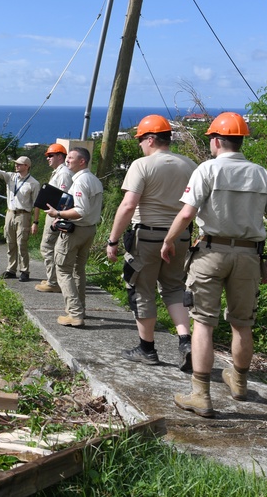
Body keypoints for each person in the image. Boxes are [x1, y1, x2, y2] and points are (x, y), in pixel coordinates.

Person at [161, 112, 267, 418]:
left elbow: (187, 214)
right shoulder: (262, 174)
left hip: (211, 251)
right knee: (243, 323)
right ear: (241, 140)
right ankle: (240, 383)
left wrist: (168, 241)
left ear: (216, 141)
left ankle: (201, 394)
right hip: (248, 256)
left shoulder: (208, 170)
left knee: (203, 322)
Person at [106, 115, 197, 370]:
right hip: (180, 235)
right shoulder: (190, 164)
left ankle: (147, 349)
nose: (139, 146)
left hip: (147, 236)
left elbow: (128, 204)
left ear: (150, 139)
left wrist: (113, 239)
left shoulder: (142, 165)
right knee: (174, 287)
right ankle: (185, 341)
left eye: (140, 141)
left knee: (142, 289)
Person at [45, 147, 103, 327]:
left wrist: (58, 213)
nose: (67, 161)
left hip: (75, 231)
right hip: (89, 230)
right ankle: (80, 308)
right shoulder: (94, 180)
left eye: (70, 158)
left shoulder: (79, 181)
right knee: (79, 270)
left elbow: (80, 211)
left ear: (82, 161)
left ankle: (74, 313)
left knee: (63, 270)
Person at [0, 154, 40, 282]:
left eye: (19, 164)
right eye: (16, 163)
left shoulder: (34, 183)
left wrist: (35, 222)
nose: (16, 165)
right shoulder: (11, 177)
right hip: (10, 213)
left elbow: (37, 204)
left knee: (22, 243)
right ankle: (11, 269)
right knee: (10, 242)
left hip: (24, 214)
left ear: (27, 166)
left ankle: (24, 270)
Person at [35, 143, 73, 293]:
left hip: (56, 215)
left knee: (47, 247)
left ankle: (53, 282)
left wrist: (58, 217)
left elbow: (64, 198)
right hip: (54, 214)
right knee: (51, 247)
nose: (48, 159)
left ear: (59, 156)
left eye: (50, 155)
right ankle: (53, 277)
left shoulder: (63, 173)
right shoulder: (59, 172)